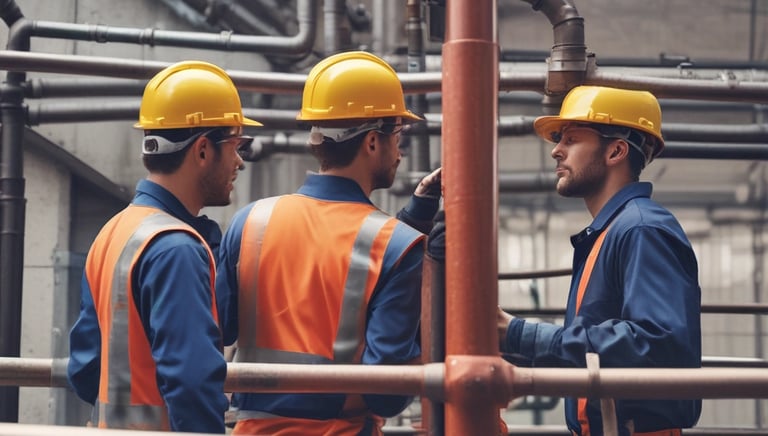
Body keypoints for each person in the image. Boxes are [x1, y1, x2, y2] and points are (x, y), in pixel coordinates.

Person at [216, 51, 440, 436]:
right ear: (373, 142)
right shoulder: (398, 246)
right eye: (398, 136)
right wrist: (433, 350)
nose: (400, 152)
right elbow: (385, 395)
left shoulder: (251, 221)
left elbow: (221, 329)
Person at [67, 60, 262, 432]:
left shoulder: (114, 232)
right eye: (235, 146)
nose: (239, 162)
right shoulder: (177, 249)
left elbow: (85, 369)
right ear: (202, 150)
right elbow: (193, 386)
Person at [497, 85, 702, 436]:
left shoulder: (641, 229)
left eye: (571, 139)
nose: (556, 151)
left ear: (616, 151)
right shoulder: (612, 230)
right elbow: (601, 346)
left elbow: (656, 344)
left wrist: (522, 335)